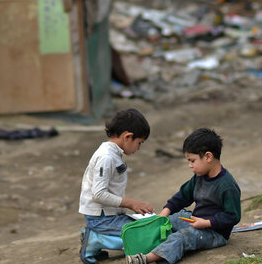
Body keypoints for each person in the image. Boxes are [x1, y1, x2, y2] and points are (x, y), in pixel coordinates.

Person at [126, 128, 241, 264]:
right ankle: (161, 247)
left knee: (184, 236)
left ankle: (148, 258)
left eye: (192, 161)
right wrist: (164, 214)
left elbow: (233, 216)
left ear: (208, 157)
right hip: (195, 221)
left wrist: (206, 223)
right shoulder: (199, 177)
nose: (190, 165)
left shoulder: (226, 185)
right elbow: (183, 196)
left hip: (214, 233)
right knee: (170, 220)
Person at [79, 108, 154, 264]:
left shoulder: (113, 153)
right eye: (139, 143)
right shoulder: (106, 157)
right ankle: (94, 237)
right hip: (100, 219)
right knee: (142, 237)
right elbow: (98, 194)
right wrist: (132, 203)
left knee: (147, 227)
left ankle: (98, 236)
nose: (138, 148)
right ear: (127, 136)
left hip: (109, 215)